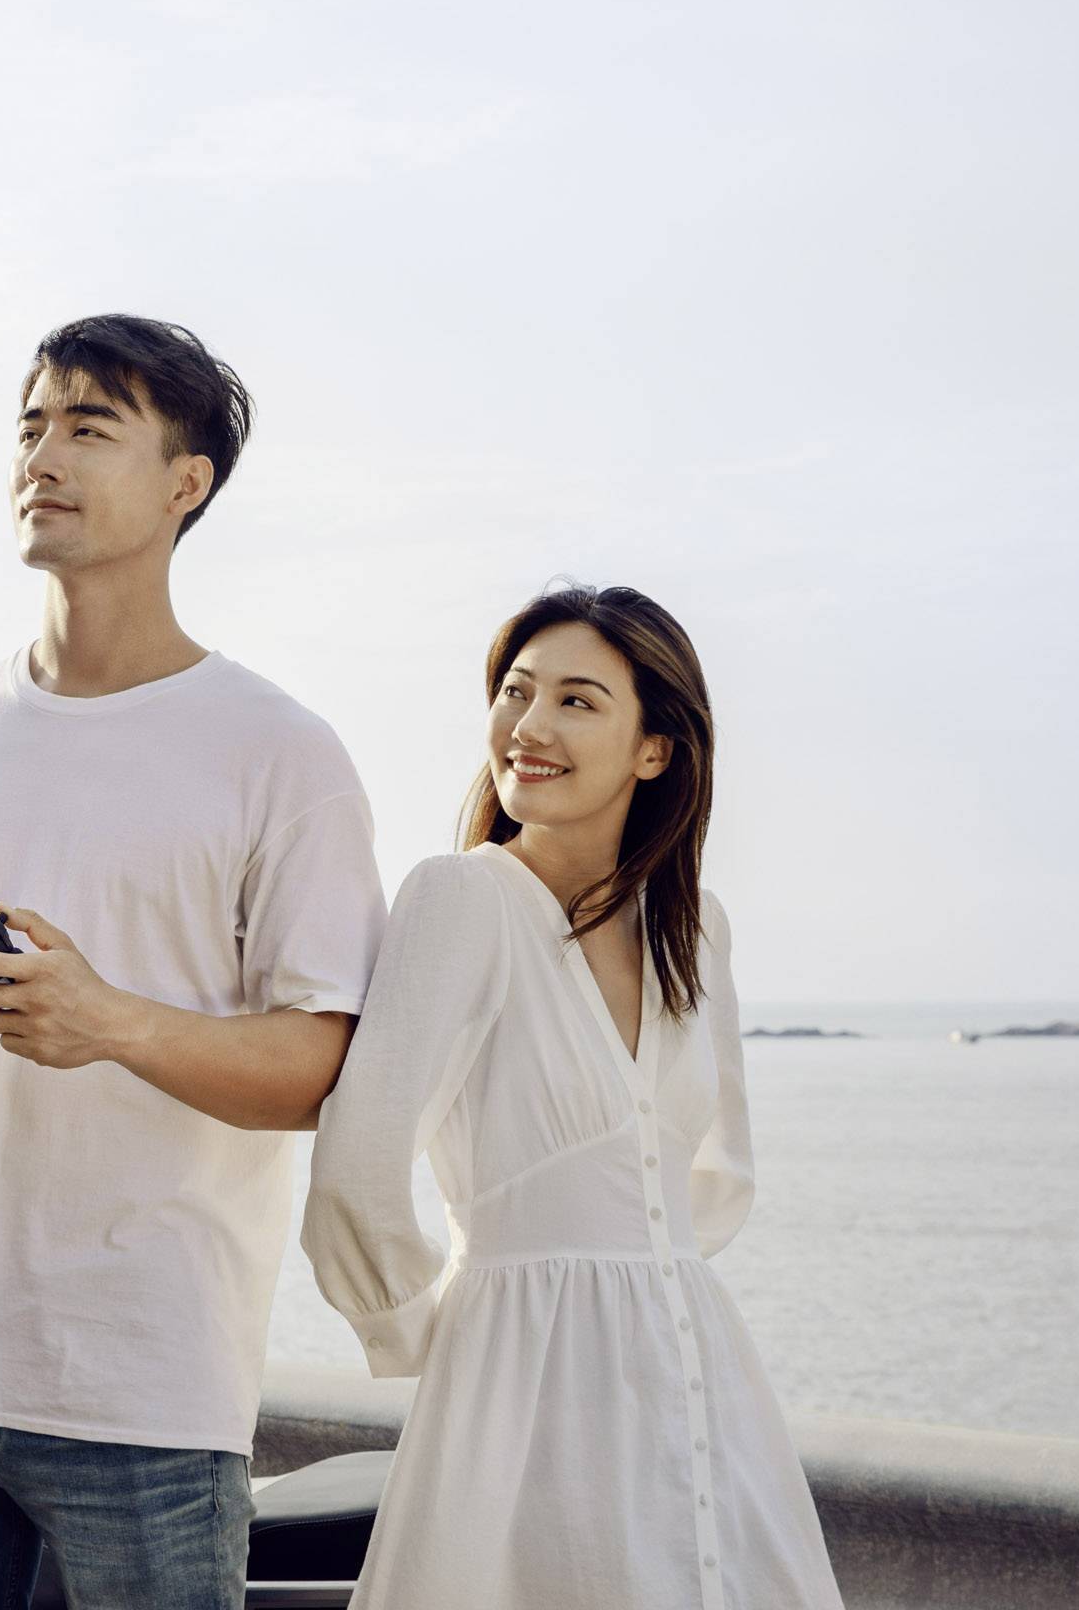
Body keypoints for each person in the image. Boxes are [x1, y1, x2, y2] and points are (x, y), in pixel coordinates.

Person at [0, 314, 388, 1610]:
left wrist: (112, 1021)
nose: (41, 455)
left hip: (136, 1387)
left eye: (88, 426)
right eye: (30, 425)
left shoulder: (277, 752)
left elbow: (322, 1064)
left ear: (189, 482)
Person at [300, 584, 845, 1609]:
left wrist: (635, 1277)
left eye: (578, 701)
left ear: (656, 749)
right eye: (515, 691)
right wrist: (439, 1340)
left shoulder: (696, 930)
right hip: (519, 1379)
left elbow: (710, 1180)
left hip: (698, 1371)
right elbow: (355, 1171)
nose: (529, 727)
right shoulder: (463, 898)